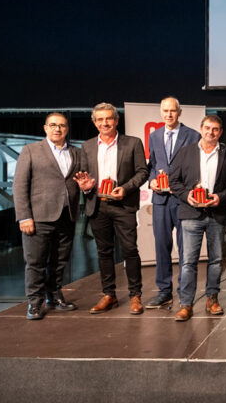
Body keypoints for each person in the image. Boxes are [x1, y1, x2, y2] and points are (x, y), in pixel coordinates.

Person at [75, 103, 149, 315]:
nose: (104, 123)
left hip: (123, 205)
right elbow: (84, 176)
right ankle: (109, 294)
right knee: (103, 252)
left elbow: (142, 172)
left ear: (116, 120)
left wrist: (125, 189)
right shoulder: (87, 146)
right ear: (94, 122)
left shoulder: (133, 143)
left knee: (130, 250)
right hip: (97, 205)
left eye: (108, 118)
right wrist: (86, 187)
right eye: (100, 119)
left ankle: (135, 295)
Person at [169, 115, 226, 321]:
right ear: (201, 129)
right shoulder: (185, 152)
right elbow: (174, 181)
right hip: (191, 214)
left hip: (216, 214)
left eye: (215, 129)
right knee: (188, 262)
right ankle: (186, 304)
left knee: (216, 261)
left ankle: (212, 299)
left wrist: (220, 197)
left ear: (221, 132)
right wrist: (187, 195)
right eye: (207, 128)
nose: (211, 132)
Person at [13, 113, 81, 319]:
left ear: (67, 129)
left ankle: (54, 295)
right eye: (53, 125)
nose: (57, 129)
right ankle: (34, 302)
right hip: (38, 217)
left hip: (67, 215)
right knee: (35, 262)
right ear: (45, 128)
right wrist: (24, 216)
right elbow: (19, 185)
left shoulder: (76, 152)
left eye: (61, 125)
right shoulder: (31, 150)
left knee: (60, 261)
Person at [145, 97, 201, 309]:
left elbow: (196, 167)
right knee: (162, 246)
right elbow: (153, 165)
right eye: (165, 111)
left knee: (186, 249)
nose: (169, 114)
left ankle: (184, 294)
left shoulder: (193, 135)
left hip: (182, 200)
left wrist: (184, 187)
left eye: (173, 111)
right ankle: (164, 292)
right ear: (161, 112)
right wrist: (152, 181)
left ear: (180, 112)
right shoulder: (154, 136)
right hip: (160, 200)